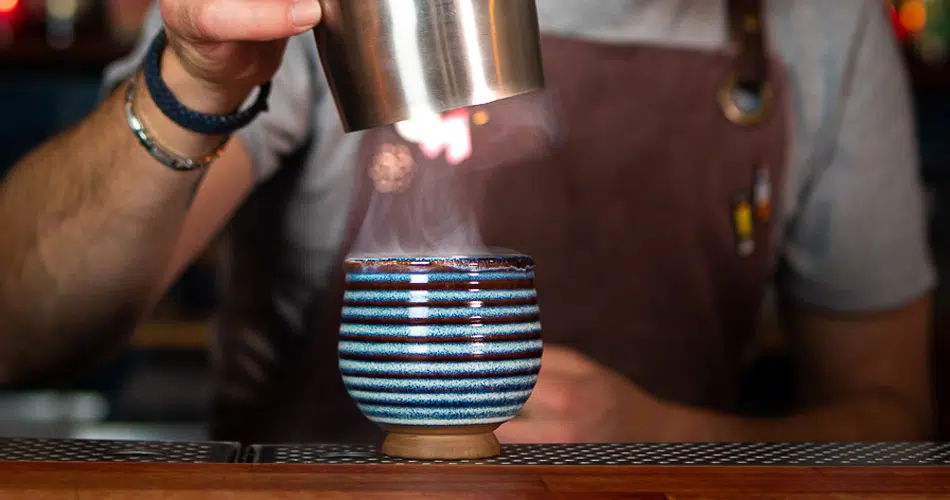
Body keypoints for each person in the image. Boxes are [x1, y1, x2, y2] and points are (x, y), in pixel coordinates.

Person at [0, 0, 936, 445]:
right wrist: (194, 82)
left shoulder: (823, 29)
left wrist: (670, 437)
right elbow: (18, 334)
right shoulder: (323, 14)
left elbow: (896, 421)